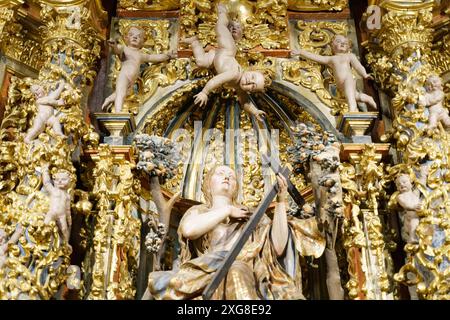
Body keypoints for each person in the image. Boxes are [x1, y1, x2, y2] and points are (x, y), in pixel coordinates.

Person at [145, 165, 325, 300]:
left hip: (245, 271)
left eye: (231, 176)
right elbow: (190, 230)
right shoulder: (198, 211)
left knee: (236, 269)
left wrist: (281, 200)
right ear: (208, 184)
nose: (226, 177)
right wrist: (227, 211)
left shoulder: (252, 216)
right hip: (203, 274)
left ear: (236, 187)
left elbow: (278, 247)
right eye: (220, 174)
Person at [181, 4, 269, 122]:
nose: (250, 81)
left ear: (250, 91)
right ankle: (223, 16)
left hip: (214, 59)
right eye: (252, 77)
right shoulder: (234, 73)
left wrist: (255, 111)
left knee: (201, 62)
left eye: (253, 86)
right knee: (220, 28)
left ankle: (194, 42)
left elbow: (245, 103)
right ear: (250, 70)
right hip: (227, 49)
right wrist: (204, 92)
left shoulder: (240, 88)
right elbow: (216, 80)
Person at [291, 35, 377, 112]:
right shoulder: (331, 59)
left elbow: (358, 66)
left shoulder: (349, 56)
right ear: (332, 45)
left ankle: (353, 109)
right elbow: (316, 57)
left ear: (348, 47)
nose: (342, 44)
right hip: (340, 84)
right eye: (339, 41)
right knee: (353, 96)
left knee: (350, 96)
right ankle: (367, 98)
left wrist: (365, 75)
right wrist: (301, 52)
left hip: (349, 79)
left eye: (345, 43)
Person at [102, 26, 175, 113]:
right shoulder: (124, 49)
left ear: (142, 42)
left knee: (126, 93)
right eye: (132, 35)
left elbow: (154, 57)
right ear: (126, 38)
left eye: (138, 36)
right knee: (121, 93)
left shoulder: (141, 55)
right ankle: (118, 112)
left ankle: (109, 98)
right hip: (124, 76)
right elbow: (117, 50)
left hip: (132, 80)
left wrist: (168, 55)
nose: (135, 37)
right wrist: (114, 46)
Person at [42, 164, 72, 243]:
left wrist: (69, 219)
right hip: (52, 212)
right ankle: (43, 239)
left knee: (64, 229)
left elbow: (68, 209)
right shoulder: (53, 190)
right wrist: (45, 171)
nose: (59, 181)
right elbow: (46, 183)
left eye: (63, 179)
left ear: (69, 181)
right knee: (46, 223)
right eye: (57, 179)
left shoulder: (67, 196)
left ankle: (66, 244)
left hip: (62, 215)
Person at [395, 174, 421, 244]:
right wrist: (413, 207)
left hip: (420, 214)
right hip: (410, 218)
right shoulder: (400, 196)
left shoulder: (415, 193)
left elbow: (421, 184)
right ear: (397, 188)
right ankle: (412, 237)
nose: (402, 185)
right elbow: (405, 205)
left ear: (411, 183)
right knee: (414, 218)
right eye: (399, 184)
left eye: (404, 182)